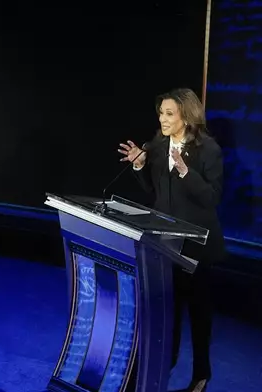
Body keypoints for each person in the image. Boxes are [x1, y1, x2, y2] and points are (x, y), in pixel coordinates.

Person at [118, 88, 225, 392]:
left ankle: (201, 375)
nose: (162, 119)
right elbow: (154, 192)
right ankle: (164, 364)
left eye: (169, 114)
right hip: (164, 244)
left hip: (197, 248)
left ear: (186, 116)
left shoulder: (208, 150)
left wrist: (185, 172)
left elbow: (212, 199)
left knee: (199, 314)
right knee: (167, 311)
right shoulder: (157, 145)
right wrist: (139, 165)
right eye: (161, 113)